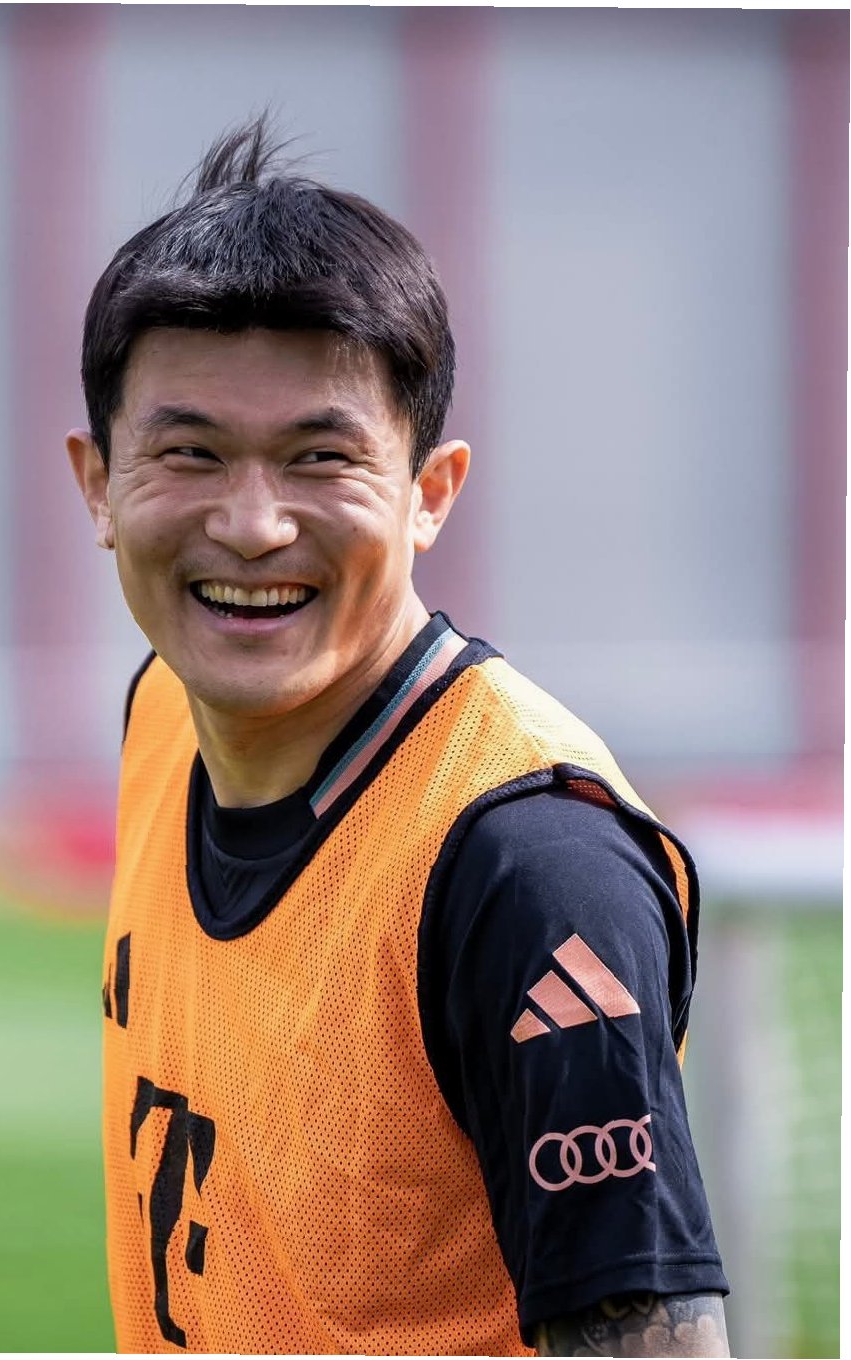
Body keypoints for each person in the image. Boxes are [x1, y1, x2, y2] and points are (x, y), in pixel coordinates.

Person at [66, 118, 730, 1356]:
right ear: (98, 483)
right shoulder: (161, 713)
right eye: (190, 452)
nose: (253, 524)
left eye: (320, 458)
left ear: (430, 493)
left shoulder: (533, 869)